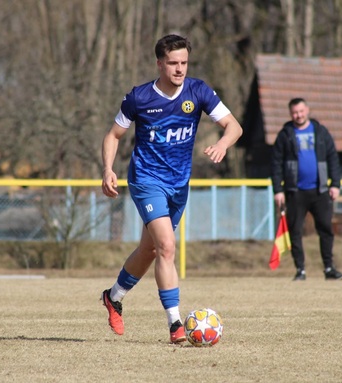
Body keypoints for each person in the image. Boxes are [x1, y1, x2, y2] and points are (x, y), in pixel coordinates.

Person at [100, 34, 243, 343]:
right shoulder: (139, 98)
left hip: (179, 185)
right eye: (173, 63)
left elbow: (235, 126)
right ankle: (175, 324)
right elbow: (113, 136)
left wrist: (221, 144)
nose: (180, 69)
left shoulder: (198, 91)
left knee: (149, 250)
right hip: (146, 180)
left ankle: (114, 297)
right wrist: (108, 169)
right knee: (166, 246)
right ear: (159, 64)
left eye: (184, 63)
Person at [270, 98, 342, 281]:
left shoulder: (321, 132)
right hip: (295, 191)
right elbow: (276, 164)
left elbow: (333, 159)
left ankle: (329, 268)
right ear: (291, 114)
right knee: (295, 231)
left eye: (301, 111)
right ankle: (300, 270)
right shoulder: (285, 134)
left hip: (320, 191)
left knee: (326, 229)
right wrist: (278, 190)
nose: (298, 115)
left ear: (307, 110)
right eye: (295, 112)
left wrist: (335, 184)